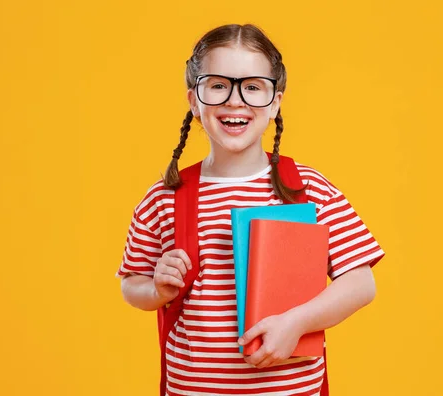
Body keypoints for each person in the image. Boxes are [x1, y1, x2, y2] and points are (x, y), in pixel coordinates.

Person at [117, 23, 385, 396]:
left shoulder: (307, 189)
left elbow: (360, 283)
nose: (235, 101)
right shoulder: (165, 198)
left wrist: (297, 322)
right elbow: (131, 285)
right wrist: (157, 289)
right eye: (218, 85)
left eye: (253, 87)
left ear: (275, 101)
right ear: (194, 99)